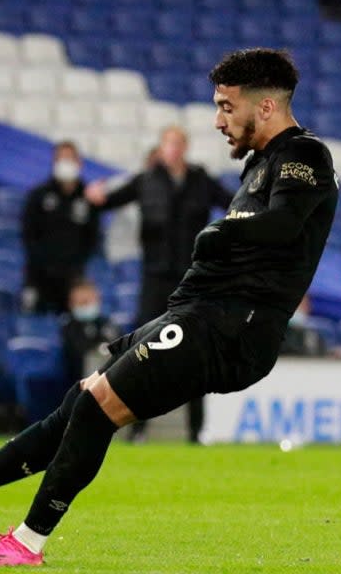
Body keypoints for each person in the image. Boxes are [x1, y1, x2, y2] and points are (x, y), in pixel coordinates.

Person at [0, 48, 337, 566]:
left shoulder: (304, 155)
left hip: (230, 326)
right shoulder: (260, 164)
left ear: (264, 108)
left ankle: (26, 540)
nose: (218, 120)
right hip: (199, 313)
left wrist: (221, 229)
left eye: (225, 107)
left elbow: (285, 225)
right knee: (82, 398)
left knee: (97, 404)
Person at [85, 125, 233, 443]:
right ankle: (137, 427)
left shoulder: (200, 180)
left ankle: (196, 431)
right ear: (162, 147)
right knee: (143, 351)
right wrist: (97, 199)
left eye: (179, 144)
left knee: (197, 352)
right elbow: (111, 200)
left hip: (193, 278)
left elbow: (234, 204)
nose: (174, 149)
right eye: (169, 144)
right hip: (155, 278)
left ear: (185, 147)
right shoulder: (147, 180)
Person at [21, 142, 99, 313]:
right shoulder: (39, 195)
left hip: (73, 280)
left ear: (79, 163)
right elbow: (28, 234)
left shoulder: (88, 198)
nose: (65, 163)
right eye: (61, 159)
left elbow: (93, 237)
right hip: (41, 276)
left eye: (69, 158)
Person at [59, 279, 121, 391]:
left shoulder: (107, 324)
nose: (86, 306)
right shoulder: (68, 328)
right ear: (71, 304)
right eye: (81, 303)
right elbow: (77, 352)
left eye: (88, 301)